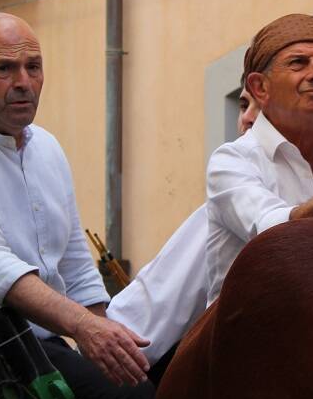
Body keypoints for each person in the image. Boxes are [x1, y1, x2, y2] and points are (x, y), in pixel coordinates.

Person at [0, 12, 154, 399]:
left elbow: (76, 265)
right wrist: (85, 328)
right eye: (4, 69)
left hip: (52, 342)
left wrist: (106, 342)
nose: (24, 83)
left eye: (33, 67)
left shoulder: (47, 147)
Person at [106, 88, 261, 380]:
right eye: (243, 105)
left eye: (260, 106)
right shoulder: (226, 198)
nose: (248, 119)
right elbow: (154, 310)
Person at [205, 13, 313, 303]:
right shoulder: (232, 161)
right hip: (254, 336)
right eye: (298, 63)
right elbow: (272, 230)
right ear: (260, 88)